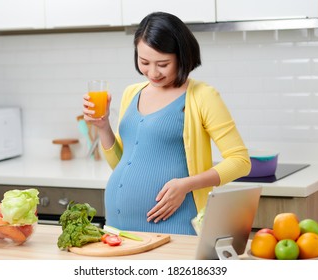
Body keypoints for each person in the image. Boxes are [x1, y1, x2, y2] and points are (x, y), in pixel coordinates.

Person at [83, 12, 251, 235]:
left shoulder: (202, 96)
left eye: (163, 64)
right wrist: (103, 127)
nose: (152, 72)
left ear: (182, 56)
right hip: (117, 227)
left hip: (175, 223)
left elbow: (240, 161)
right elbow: (122, 163)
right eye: (144, 62)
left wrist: (186, 185)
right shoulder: (132, 93)